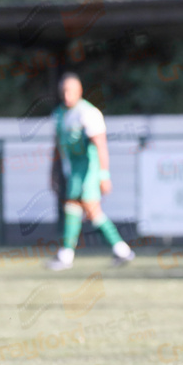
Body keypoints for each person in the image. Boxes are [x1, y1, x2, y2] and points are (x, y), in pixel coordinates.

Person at [45, 73, 134, 270]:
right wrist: (53, 173)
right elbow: (56, 146)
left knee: (89, 208)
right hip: (72, 171)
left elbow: (100, 145)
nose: (67, 95)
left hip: (89, 170)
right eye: (64, 91)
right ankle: (120, 250)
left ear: (80, 92)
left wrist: (104, 175)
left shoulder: (88, 113)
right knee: (75, 207)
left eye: (71, 91)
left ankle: (68, 255)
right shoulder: (58, 115)